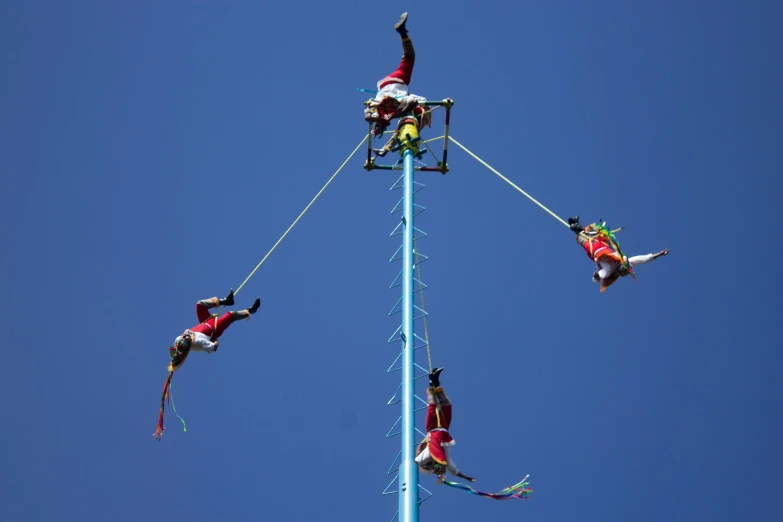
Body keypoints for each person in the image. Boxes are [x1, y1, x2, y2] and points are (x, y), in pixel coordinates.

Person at [364, 12, 431, 154]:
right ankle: (402, 33)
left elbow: (368, 116)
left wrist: (387, 117)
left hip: (391, 86)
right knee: (410, 116)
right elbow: (368, 117)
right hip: (392, 86)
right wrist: (391, 116)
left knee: (409, 57)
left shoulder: (379, 107)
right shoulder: (382, 108)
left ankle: (386, 148)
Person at [568, 216, 669, 292]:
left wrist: (597, 276)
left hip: (594, 249)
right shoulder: (623, 261)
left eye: (621, 268)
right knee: (596, 231)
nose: (620, 265)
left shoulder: (611, 269)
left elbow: (603, 274)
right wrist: (659, 254)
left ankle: (575, 227)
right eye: (622, 266)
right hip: (602, 244)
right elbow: (643, 259)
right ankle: (578, 226)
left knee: (582, 238)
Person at [168, 289, 260, 371]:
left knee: (199, 304)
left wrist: (185, 336)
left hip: (205, 322)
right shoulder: (197, 344)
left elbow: (186, 332)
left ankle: (226, 301)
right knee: (230, 315)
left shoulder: (178, 340)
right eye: (185, 338)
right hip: (215, 328)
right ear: (188, 345)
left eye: (183, 337)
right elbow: (213, 348)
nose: (185, 336)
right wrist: (214, 341)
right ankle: (249, 311)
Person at [415, 368, 477, 482]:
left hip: (432, 428)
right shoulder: (446, 460)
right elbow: (454, 471)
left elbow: (415, 462)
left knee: (432, 406)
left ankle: (431, 383)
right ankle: (436, 383)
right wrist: (466, 477)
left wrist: (404, 470)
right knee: (447, 405)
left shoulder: (428, 455)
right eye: (441, 467)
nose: (441, 466)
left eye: (438, 467)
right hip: (444, 428)